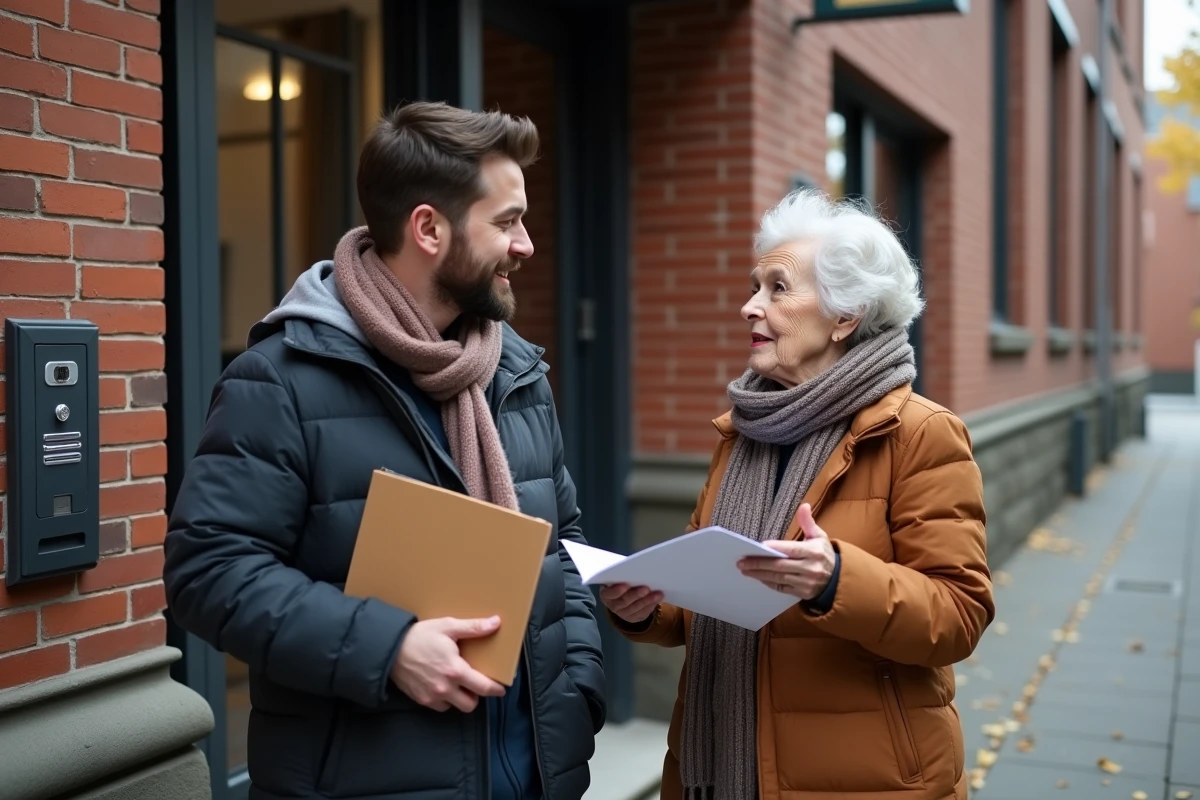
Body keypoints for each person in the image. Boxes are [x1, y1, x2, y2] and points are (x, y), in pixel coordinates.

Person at [163, 101, 605, 800]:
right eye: (508, 222)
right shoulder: (280, 378)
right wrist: (387, 647)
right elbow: (208, 572)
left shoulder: (516, 372)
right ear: (429, 228)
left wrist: (578, 685)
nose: (526, 244)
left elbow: (564, 544)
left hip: (535, 775)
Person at [601, 189, 994, 800]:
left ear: (845, 316)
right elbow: (711, 586)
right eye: (754, 286)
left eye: (777, 288)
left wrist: (838, 580)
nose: (748, 307)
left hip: (866, 781)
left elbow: (959, 615)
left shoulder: (920, 432)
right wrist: (648, 608)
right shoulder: (744, 430)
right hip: (723, 770)